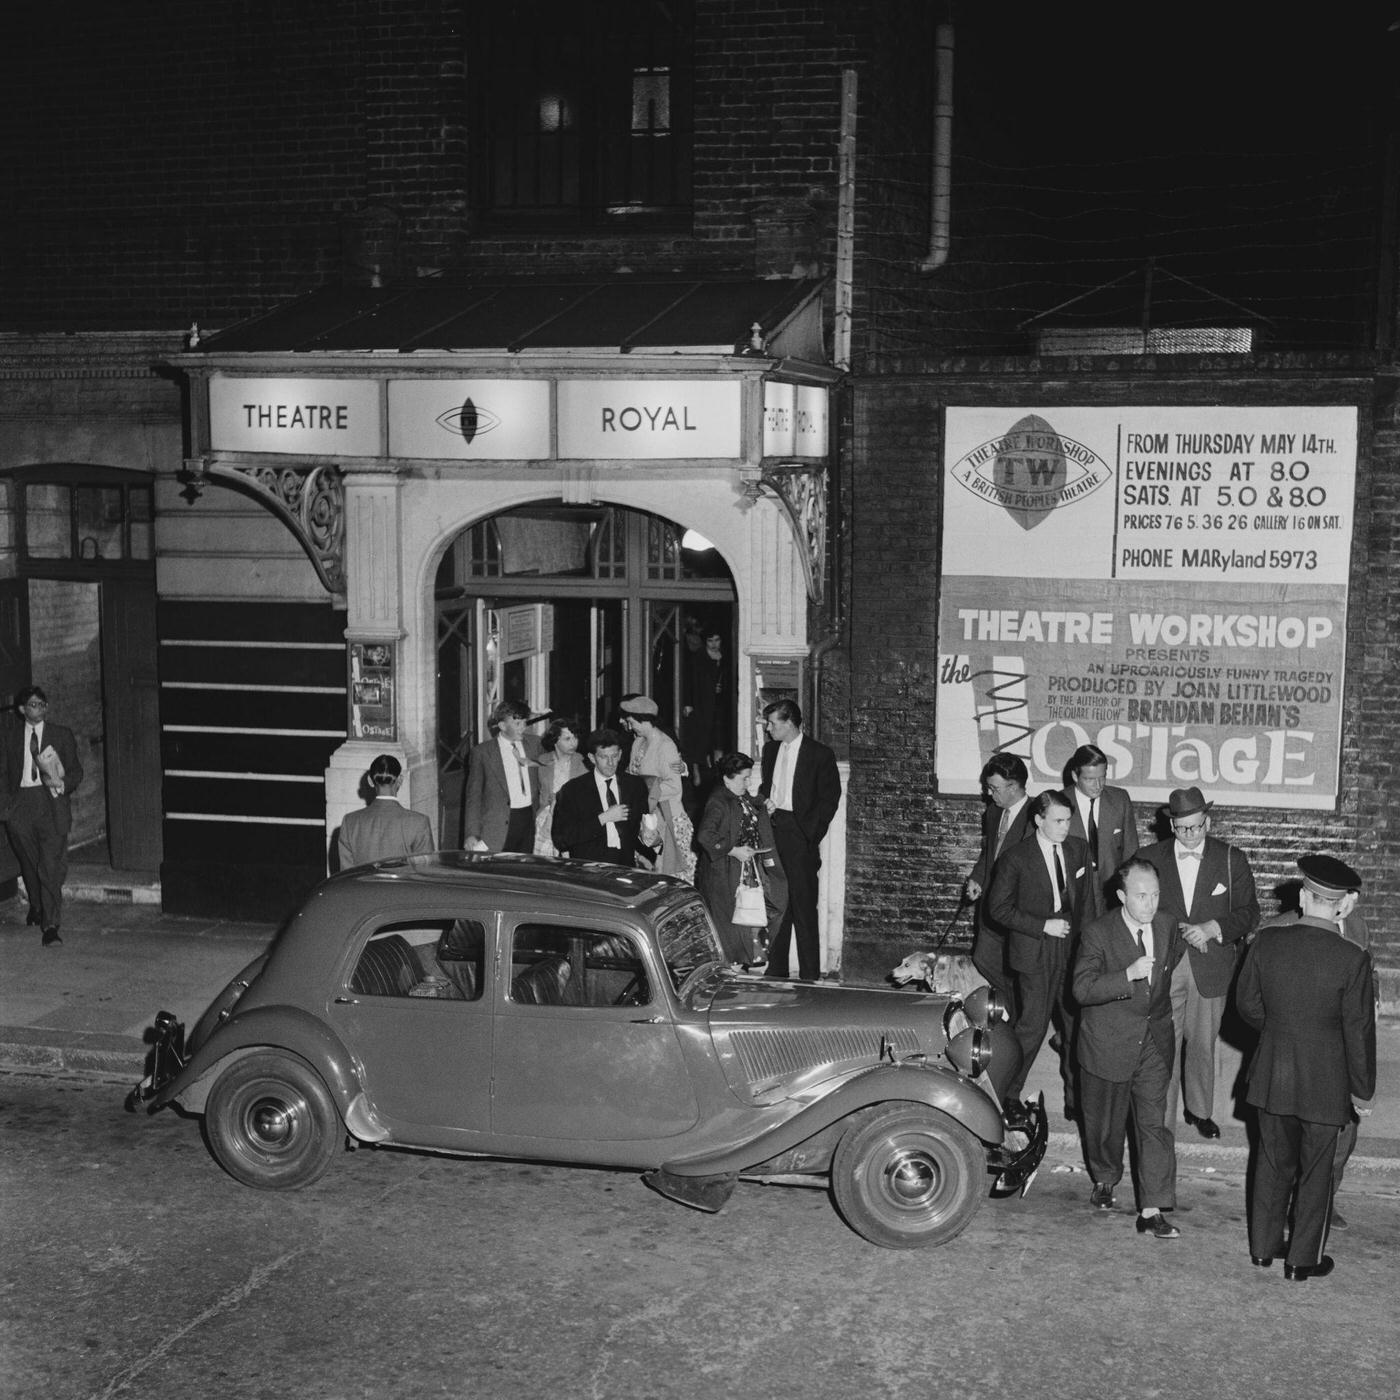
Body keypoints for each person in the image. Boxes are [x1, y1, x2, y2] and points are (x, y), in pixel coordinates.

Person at [1236, 853, 1376, 1281]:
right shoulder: (1352, 958)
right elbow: (1359, 1033)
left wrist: (1278, 1030)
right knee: (1315, 1174)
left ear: (1302, 896)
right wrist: (1362, 1090)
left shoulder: (1267, 941)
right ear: (1340, 905)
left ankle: (1262, 1250)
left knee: (1271, 1164)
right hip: (1325, 1084)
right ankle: (1302, 1260)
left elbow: (1245, 1006)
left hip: (1272, 1075)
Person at [1072, 858, 1186, 1239]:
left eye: (1155, 895)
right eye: (1141, 896)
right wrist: (1127, 976)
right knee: (1104, 1123)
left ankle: (1152, 1208)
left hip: (1154, 1040)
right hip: (1108, 1041)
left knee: (1154, 1125)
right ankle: (1105, 1176)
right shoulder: (1097, 933)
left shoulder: (1169, 926)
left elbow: (1169, 967)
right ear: (1121, 896)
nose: (1150, 904)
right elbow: (1081, 989)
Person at [1140, 786, 1259, 1139]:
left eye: (1197, 826)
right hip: (1166, 962)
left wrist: (1214, 927)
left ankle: (1200, 1110)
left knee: (1203, 1044)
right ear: (1171, 826)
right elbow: (1136, 910)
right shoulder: (1150, 858)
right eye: (1183, 828)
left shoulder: (1230, 858)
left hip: (1211, 966)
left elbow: (1249, 913)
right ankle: (1162, 1115)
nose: (1191, 835)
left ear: (1207, 821)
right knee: (1164, 1043)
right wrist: (1173, 929)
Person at [987, 789, 1089, 1111]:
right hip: (1035, 950)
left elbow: (1088, 902)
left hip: (1070, 947)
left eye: (1068, 820)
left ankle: (1075, 1098)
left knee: (1075, 1026)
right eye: (1058, 820)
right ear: (1038, 820)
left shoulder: (1078, 849)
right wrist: (1042, 925)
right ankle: (1005, 1094)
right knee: (1031, 1028)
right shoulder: (1016, 857)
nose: (1065, 827)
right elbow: (998, 909)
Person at [759, 699, 842, 982]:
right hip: (774, 828)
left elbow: (830, 799)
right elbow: (766, 786)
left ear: (790, 723)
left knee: (804, 906)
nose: (768, 729)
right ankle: (777, 968)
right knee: (777, 901)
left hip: (800, 832)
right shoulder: (770, 750)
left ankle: (809, 975)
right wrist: (764, 802)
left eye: (773, 723)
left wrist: (811, 833)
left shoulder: (819, 754)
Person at [0, 685, 83, 946]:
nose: (40, 709)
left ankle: (51, 925)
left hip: (51, 803)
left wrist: (63, 784)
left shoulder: (61, 734)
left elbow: (75, 771)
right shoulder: (10, 736)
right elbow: (2, 773)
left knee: (51, 866)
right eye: (34, 704)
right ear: (22, 709)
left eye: (43, 704)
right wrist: (7, 809)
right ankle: (36, 906)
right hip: (21, 805)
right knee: (29, 862)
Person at [695, 751, 787, 965]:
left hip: (746, 871)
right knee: (732, 924)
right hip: (725, 873)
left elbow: (752, 809)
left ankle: (746, 963)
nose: (748, 782)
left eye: (749, 776)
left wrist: (766, 809)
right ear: (727, 778)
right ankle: (733, 968)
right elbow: (704, 835)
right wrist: (733, 850)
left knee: (757, 914)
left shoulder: (740, 796)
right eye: (743, 778)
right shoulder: (718, 801)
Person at [964, 753, 1034, 1013]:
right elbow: (989, 851)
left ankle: (1018, 1015)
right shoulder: (994, 812)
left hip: (1018, 907)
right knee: (983, 957)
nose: (988, 793)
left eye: (994, 788)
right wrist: (978, 877)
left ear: (1014, 787)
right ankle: (1011, 1007)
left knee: (1015, 967)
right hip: (990, 903)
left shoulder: (1036, 814)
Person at [551, 727, 656, 866]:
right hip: (589, 868)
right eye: (603, 757)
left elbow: (640, 831)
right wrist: (603, 819)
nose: (611, 763)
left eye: (614, 756)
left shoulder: (634, 786)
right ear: (592, 758)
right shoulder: (572, 790)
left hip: (625, 867)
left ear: (620, 754)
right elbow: (562, 839)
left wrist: (654, 841)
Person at [621, 696, 695, 880]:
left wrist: (642, 793)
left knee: (672, 875)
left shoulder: (666, 746)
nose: (630, 727)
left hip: (669, 819)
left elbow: (673, 785)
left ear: (643, 719)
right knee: (649, 872)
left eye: (632, 722)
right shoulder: (638, 742)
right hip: (647, 819)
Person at [1062, 743, 1138, 920]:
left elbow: (1131, 851)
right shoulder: (1058, 803)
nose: (1098, 785)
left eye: (1102, 777)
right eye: (1089, 779)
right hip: (1073, 894)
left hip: (1112, 893)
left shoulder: (1120, 799)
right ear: (1075, 776)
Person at [463, 699, 541, 854]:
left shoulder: (535, 744)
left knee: (524, 871)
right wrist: (472, 833)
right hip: (497, 826)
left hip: (528, 819)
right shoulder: (482, 753)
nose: (523, 728)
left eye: (525, 723)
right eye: (517, 724)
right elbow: (474, 796)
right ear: (502, 726)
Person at [336, 754, 435, 868]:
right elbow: (425, 871)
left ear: (370, 780)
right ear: (400, 780)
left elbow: (346, 876)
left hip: (362, 886)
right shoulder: (419, 822)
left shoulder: (350, 822)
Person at [533, 716, 588, 857]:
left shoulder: (583, 762)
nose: (573, 743)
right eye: (567, 739)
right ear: (555, 740)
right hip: (545, 819)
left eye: (575, 737)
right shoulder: (542, 761)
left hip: (573, 822)